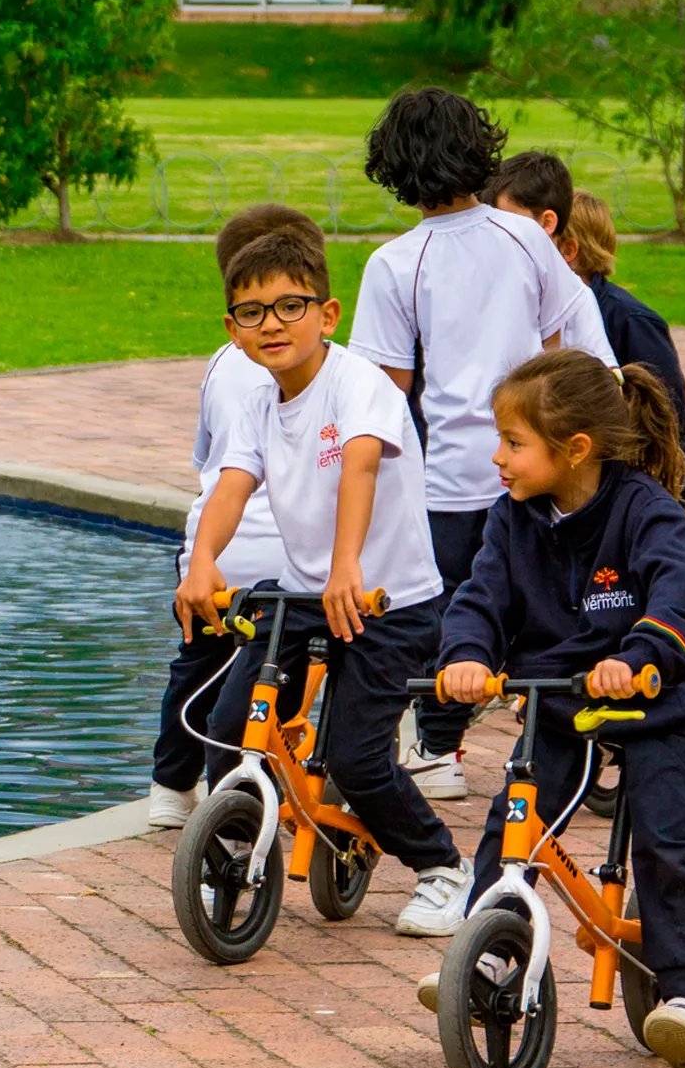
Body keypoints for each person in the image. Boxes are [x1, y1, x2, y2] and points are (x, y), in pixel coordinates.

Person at [425, 347, 685, 1068]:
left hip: (662, 703)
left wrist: (643, 654)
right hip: (561, 702)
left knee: (662, 834)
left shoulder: (645, 509)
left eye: (513, 443)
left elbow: (682, 597)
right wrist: (466, 654)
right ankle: (488, 954)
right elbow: (480, 597)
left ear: (575, 449)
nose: (497, 458)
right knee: (513, 822)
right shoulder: (512, 519)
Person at [176, 225, 473, 938]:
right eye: (252, 312)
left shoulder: (358, 382)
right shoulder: (257, 400)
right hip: (305, 593)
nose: (271, 324)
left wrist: (348, 566)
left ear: (327, 314)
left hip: (386, 600)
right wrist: (202, 561)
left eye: (289, 306)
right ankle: (238, 852)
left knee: (357, 755)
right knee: (226, 728)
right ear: (233, 329)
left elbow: (361, 467)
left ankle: (444, 869)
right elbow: (231, 483)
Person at [349, 89, 616, 804]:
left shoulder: (394, 263)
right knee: (550, 607)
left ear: (393, 164)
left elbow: (387, 391)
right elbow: (567, 331)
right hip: (542, 460)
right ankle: (569, 745)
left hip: (450, 478)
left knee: (452, 614)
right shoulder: (524, 236)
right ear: (480, 149)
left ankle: (433, 747)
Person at [149, 205, 319, 828]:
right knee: (275, 682)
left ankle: (170, 786)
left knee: (194, 666)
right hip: (284, 561)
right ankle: (261, 788)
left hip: (212, 555)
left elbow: (206, 459)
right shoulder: (321, 367)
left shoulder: (222, 363)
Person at [483, 155, 685, 486]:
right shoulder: (509, 301)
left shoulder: (629, 320)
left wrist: (655, 496)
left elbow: (667, 422)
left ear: (565, 247)